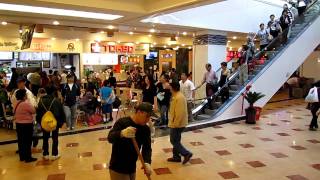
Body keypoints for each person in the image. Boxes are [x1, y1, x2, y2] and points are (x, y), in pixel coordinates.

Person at [107, 102, 153, 180]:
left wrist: (147, 162)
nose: (148, 120)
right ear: (139, 112)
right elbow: (110, 138)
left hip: (132, 167)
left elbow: (147, 147)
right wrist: (121, 133)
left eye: (149, 117)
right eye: (147, 116)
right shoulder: (122, 122)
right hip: (118, 167)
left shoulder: (145, 129)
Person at [36, 86, 65, 160]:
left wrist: (40, 122)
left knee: (45, 137)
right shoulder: (56, 100)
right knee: (55, 138)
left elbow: (38, 113)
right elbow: (60, 112)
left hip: (45, 122)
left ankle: (45, 154)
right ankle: (54, 154)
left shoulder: (41, 100)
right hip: (55, 122)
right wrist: (61, 122)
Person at [167, 82, 193, 164]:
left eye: (170, 86)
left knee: (173, 140)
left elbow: (180, 113)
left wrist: (175, 124)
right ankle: (176, 157)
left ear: (172, 88)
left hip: (177, 124)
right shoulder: (176, 96)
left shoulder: (179, 97)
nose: (169, 88)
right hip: (175, 122)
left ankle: (186, 153)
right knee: (176, 140)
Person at [14, 89, 37, 163]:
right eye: (25, 94)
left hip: (18, 124)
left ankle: (22, 157)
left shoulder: (16, 103)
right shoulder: (25, 104)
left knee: (21, 141)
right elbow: (33, 110)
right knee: (27, 141)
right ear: (23, 96)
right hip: (26, 124)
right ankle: (28, 158)